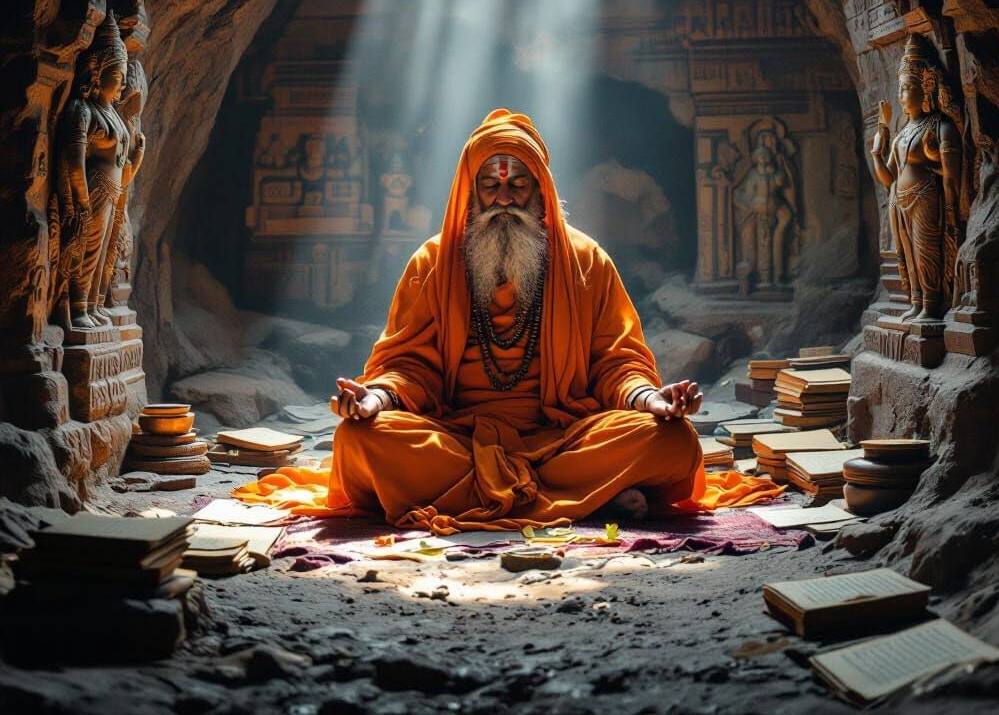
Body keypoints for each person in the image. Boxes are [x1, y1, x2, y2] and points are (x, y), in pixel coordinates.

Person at [236, 110, 781, 531]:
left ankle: (507, 492)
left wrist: (652, 401)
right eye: (491, 187)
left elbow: (617, 362)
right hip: (456, 437)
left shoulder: (586, 260)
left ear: (540, 190)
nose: (504, 199)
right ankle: (591, 496)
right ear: (469, 194)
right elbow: (411, 366)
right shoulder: (434, 261)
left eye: (517, 185)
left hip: (566, 435)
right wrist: (374, 399)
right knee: (362, 440)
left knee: (671, 438)